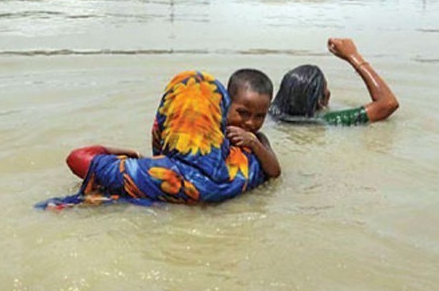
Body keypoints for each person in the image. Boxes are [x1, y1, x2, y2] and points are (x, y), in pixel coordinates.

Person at [38, 70, 273, 209]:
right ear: (220, 109)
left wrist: (122, 153)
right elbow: (274, 171)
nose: (249, 123)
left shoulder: (156, 173)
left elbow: (77, 159)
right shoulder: (248, 159)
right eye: (243, 113)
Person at [269, 38, 399, 126]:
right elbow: (388, 103)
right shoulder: (326, 121)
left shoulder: (265, 114)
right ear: (321, 101)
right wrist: (353, 56)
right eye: (326, 92)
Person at [225, 69, 281, 179]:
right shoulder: (215, 131)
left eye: (259, 116)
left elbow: (275, 172)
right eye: (243, 113)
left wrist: (253, 143)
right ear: (226, 104)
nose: (250, 122)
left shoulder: (258, 139)